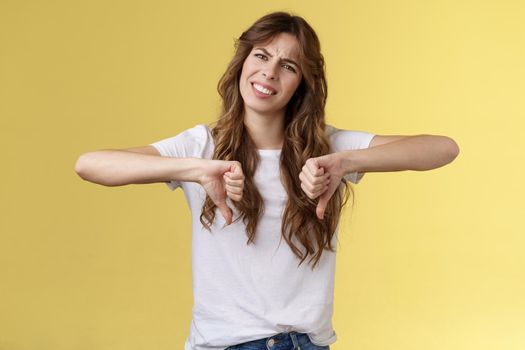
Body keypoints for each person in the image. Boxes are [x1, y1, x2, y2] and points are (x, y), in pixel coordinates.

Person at [75, 11, 459, 350]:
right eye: (261, 56)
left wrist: (345, 162)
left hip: (303, 345)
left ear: (301, 85)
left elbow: (442, 148)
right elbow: (90, 164)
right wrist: (194, 169)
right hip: (222, 345)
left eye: (288, 66)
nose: (269, 73)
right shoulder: (201, 145)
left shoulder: (328, 149)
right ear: (242, 63)